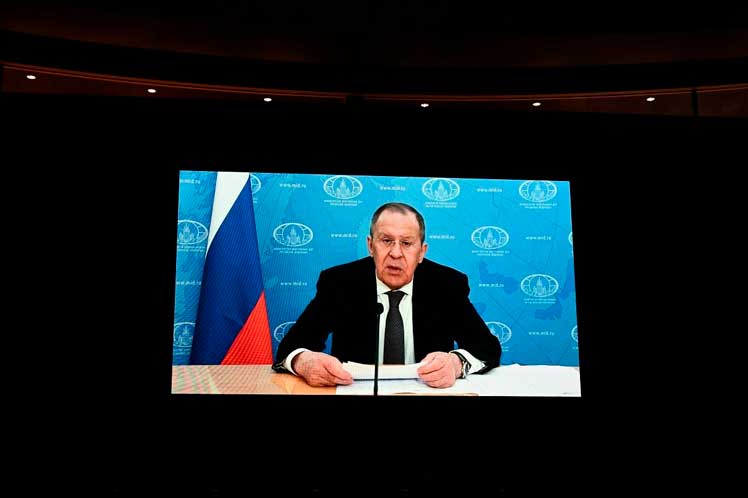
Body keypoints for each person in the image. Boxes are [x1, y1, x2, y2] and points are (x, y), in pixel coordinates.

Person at [272, 202, 501, 388]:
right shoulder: (339, 283)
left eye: (407, 243)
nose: (396, 253)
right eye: (386, 241)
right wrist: (304, 361)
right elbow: (290, 347)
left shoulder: (447, 285)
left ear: (422, 252)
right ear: (370, 246)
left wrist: (456, 363)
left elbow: (487, 347)